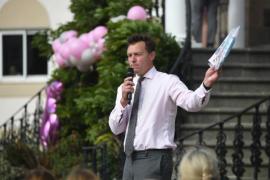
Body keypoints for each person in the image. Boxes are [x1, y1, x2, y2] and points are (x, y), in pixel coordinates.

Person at [109, 34, 220, 180]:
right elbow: (116, 128)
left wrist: (206, 85)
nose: (132, 59)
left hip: (154, 157)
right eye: (129, 55)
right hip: (129, 159)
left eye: (138, 54)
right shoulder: (124, 88)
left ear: (151, 55)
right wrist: (123, 100)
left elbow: (191, 103)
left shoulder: (167, 82)